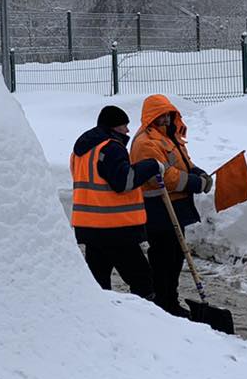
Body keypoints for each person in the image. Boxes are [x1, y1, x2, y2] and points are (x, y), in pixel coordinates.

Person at [70, 105, 165, 297]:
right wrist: (151, 165)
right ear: (114, 127)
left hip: (89, 226)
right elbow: (124, 181)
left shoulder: (82, 149)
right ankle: (146, 319)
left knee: (98, 281)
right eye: (124, 125)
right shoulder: (111, 148)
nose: (128, 130)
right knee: (141, 279)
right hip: (114, 228)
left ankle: (100, 316)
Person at [130, 94, 212, 316]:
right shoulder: (145, 143)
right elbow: (165, 176)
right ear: (151, 117)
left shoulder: (169, 138)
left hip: (176, 206)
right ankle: (162, 301)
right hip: (159, 208)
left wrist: (197, 172)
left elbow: (183, 163)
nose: (165, 119)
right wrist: (194, 182)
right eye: (161, 115)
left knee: (176, 256)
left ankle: (170, 298)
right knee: (164, 257)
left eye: (168, 115)